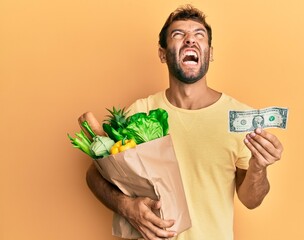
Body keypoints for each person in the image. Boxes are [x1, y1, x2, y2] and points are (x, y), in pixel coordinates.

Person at [86, 5, 283, 240]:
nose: (190, 40)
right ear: (162, 53)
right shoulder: (140, 112)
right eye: (178, 34)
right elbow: (93, 175)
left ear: (210, 53)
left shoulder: (240, 117)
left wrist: (259, 167)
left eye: (199, 35)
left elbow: (251, 200)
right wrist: (125, 206)